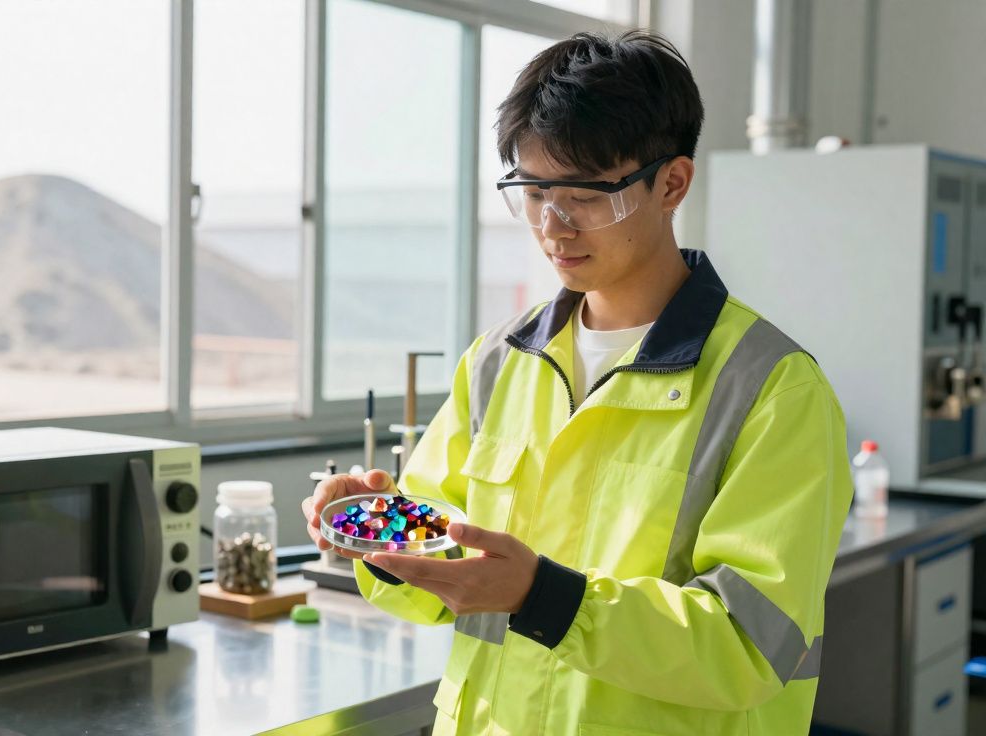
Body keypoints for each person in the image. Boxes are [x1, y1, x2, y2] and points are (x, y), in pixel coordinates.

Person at [302, 29, 851, 735]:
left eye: (587, 194)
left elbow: (748, 646)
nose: (553, 226)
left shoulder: (772, 390)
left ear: (672, 183)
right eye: (532, 191)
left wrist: (546, 597)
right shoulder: (500, 360)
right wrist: (378, 528)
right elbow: (450, 557)